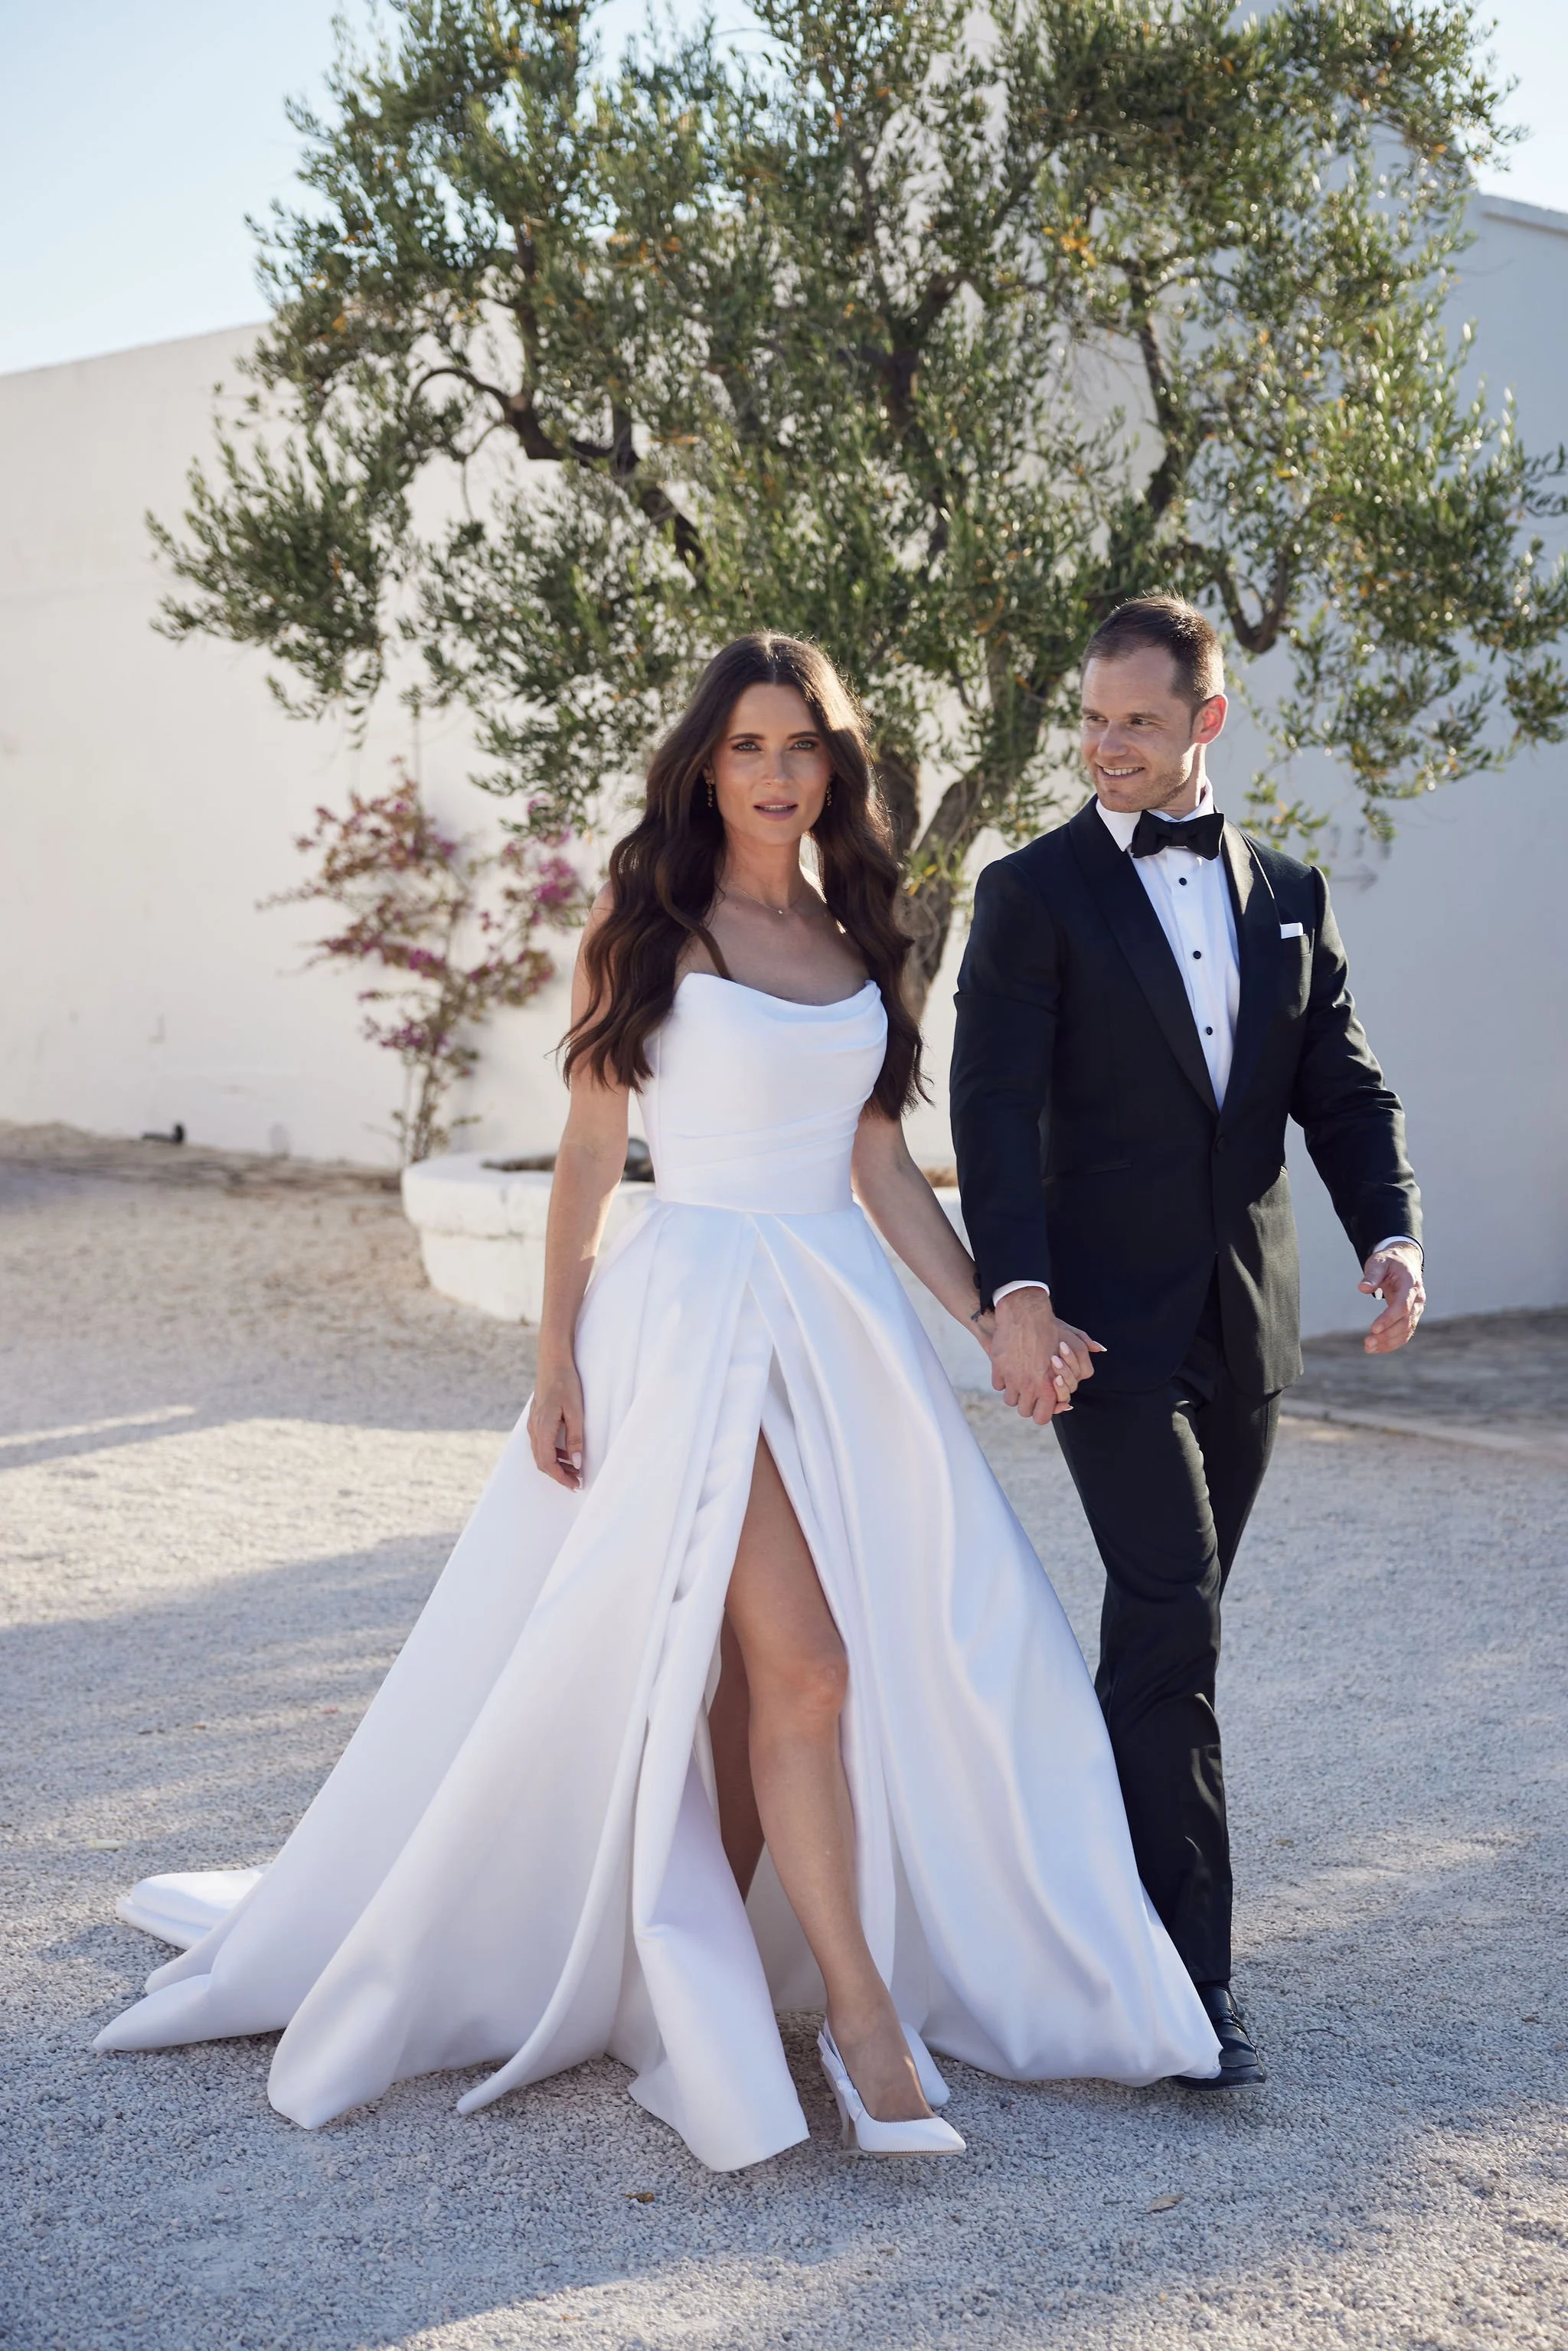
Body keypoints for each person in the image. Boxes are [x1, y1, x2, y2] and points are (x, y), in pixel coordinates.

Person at [96, 632, 1219, 2169]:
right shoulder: (648, 927)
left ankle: (694, 1964)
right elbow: (586, 1151)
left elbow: (878, 1162)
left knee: (802, 1675)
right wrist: (555, 1358)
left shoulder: (859, 932)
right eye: (747, 745)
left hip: (837, 1332)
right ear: (705, 764)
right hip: (693, 1325)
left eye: (801, 746)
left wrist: (986, 1315)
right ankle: (863, 2022)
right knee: (808, 1663)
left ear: (834, 767)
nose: (776, 772)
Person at [950, 594, 1425, 2088]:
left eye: (1138, 722)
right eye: (1092, 719)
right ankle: (1186, 1986)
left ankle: (1076, 1905)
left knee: (1166, 1627)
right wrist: (1015, 1295)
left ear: (1206, 720)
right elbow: (989, 1108)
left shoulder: (1289, 891)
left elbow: (1341, 1088)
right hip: (1100, 1332)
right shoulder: (1030, 893)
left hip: (1248, 1323)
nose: (1106, 745)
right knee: (1174, 1611)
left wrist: (1391, 1232)